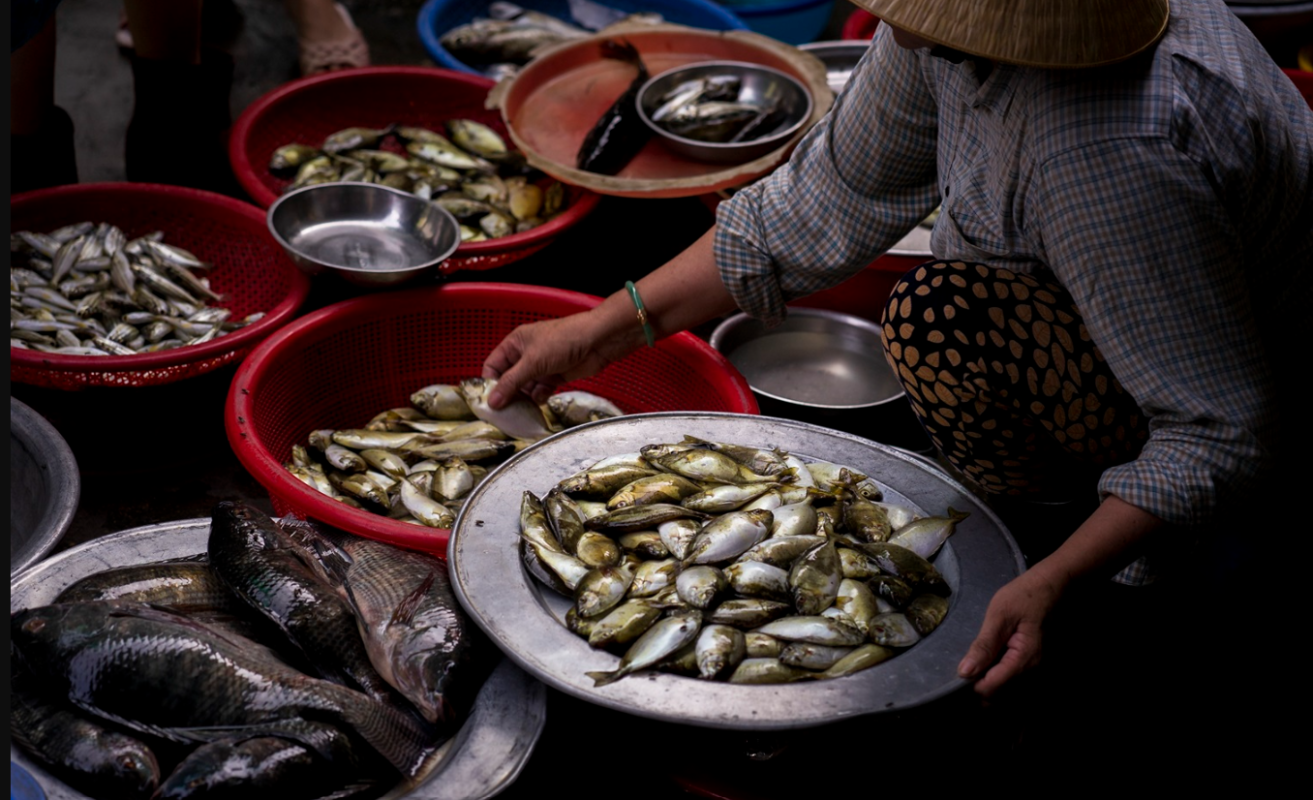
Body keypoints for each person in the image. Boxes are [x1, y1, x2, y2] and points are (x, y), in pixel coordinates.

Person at [481, 0, 1312, 750]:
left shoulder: (1096, 153)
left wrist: (1054, 580)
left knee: (933, 317)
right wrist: (598, 333)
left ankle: (1076, 548)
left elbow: (1218, 432)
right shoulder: (963, 30)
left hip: (1239, 387)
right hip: (1125, 317)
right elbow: (824, 196)